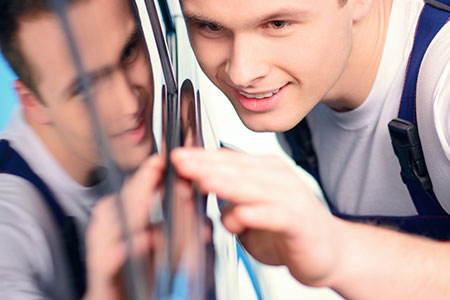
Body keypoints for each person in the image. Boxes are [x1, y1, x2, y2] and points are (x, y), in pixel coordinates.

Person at [169, 0, 450, 298]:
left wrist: (338, 250)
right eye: (210, 27)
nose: (242, 73)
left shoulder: (442, 88)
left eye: (278, 25)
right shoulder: (297, 100)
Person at [0, 0, 158, 298]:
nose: (130, 104)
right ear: (32, 102)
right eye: (85, 87)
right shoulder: (10, 217)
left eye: (128, 51)